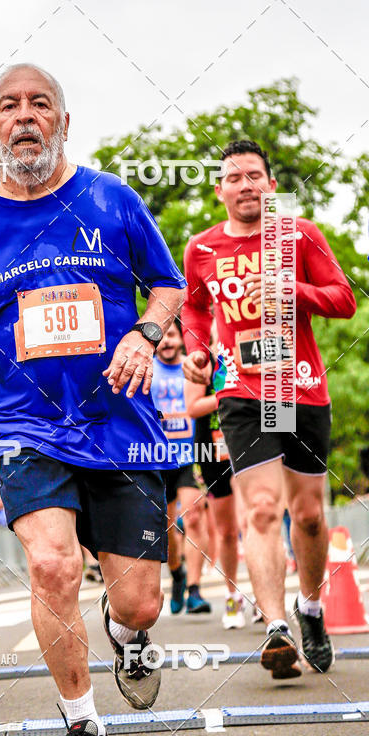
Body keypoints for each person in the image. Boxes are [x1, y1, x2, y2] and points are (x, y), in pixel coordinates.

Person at [0, 63, 186, 736]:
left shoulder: (111, 199)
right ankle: (83, 726)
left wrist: (144, 333)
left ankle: (125, 637)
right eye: (10, 106)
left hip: (123, 429)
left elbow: (167, 286)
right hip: (27, 428)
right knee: (51, 566)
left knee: (141, 604)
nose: (26, 116)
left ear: (65, 122)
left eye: (42, 104)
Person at [182, 138, 356, 679]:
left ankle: (311, 609)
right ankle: (276, 627)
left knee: (306, 516)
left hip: (299, 388)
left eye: (254, 175)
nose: (245, 185)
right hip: (240, 391)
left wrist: (293, 288)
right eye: (233, 177)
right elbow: (192, 305)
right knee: (259, 509)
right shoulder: (202, 249)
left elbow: (344, 300)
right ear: (220, 191)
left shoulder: (298, 236)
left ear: (271, 186)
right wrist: (195, 349)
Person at [184, 322, 245, 629]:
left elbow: (278, 396)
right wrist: (232, 397)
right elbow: (192, 407)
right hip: (213, 451)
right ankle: (233, 595)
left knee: (257, 516)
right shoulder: (203, 358)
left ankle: (265, 601)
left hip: (253, 446)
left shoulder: (255, 345)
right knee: (227, 531)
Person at [151, 319, 211, 615]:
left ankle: (195, 590)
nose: (167, 342)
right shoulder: (147, 367)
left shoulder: (193, 366)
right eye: (161, 338)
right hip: (157, 458)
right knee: (167, 527)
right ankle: (177, 575)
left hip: (190, 453)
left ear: (181, 339)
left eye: (172, 335)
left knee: (195, 517)